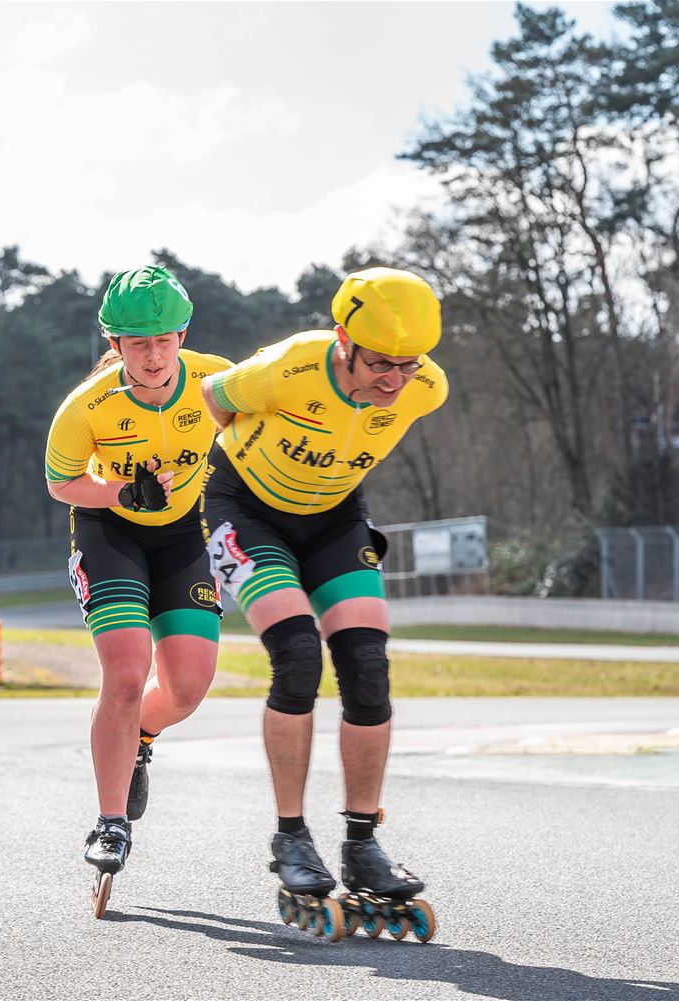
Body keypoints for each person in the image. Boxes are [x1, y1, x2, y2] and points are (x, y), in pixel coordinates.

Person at [198, 266, 448, 905]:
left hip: (334, 517)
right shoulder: (292, 365)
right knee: (298, 654)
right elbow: (214, 396)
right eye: (380, 364)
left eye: (408, 365)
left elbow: (399, 389)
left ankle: (362, 844)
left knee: (366, 666)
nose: (394, 381)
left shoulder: (428, 389)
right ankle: (290, 837)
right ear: (343, 340)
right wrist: (259, 452)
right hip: (245, 508)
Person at [44, 265, 232, 898]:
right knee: (126, 675)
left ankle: (141, 737)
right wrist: (121, 491)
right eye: (137, 344)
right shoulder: (87, 406)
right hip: (111, 532)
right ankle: (111, 821)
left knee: (188, 686)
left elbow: (261, 438)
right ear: (114, 343)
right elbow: (61, 483)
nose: (153, 357)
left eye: (163, 341)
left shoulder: (218, 382)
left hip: (183, 535)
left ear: (183, 336)